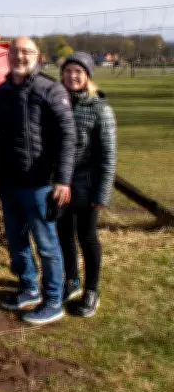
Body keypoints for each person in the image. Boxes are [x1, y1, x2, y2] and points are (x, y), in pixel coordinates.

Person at [0, 36, 77, 325]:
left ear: (37, 57)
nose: (20, 56)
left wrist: (63, 179)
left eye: (26, 52)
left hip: (41, 184)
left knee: (47, 245)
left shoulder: (50, 89)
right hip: (9, 182)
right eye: (15, 52)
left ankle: (53, 300)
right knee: (16, 241)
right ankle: (28, 287)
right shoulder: (2, 92)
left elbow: (68, 136)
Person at [58, 52, 117, 317]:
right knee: (63, 235)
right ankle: (71, 279)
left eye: (78, 72)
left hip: (87, 186)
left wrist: (101, 194)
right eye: (68, 71)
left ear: (87, 76)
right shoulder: (57, 103)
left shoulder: (99, 109)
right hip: (60, 185)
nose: (72, 76)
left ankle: (91, 289)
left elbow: (108, 155)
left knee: (87, 237)